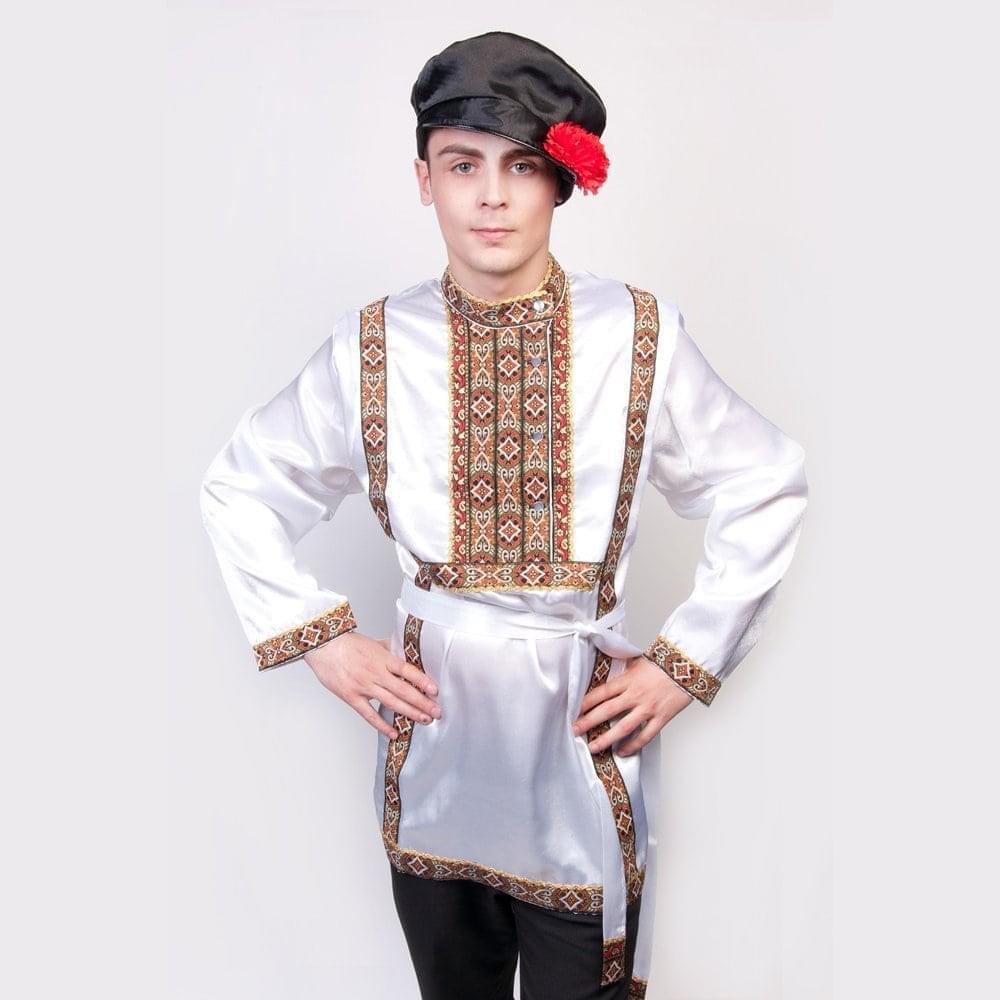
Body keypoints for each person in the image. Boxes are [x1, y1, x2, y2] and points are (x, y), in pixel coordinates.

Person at [199, 29, 809, 1000]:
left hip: (577, 753)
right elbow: (241, 485)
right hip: (434, 755)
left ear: (559, 180)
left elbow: (762, 477)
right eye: (462, 164)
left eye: (520, 166)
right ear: (424, 179)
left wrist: (684, 660)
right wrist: (320, 639)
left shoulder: (635, 333)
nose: (491, 196)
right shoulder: (372, 344)